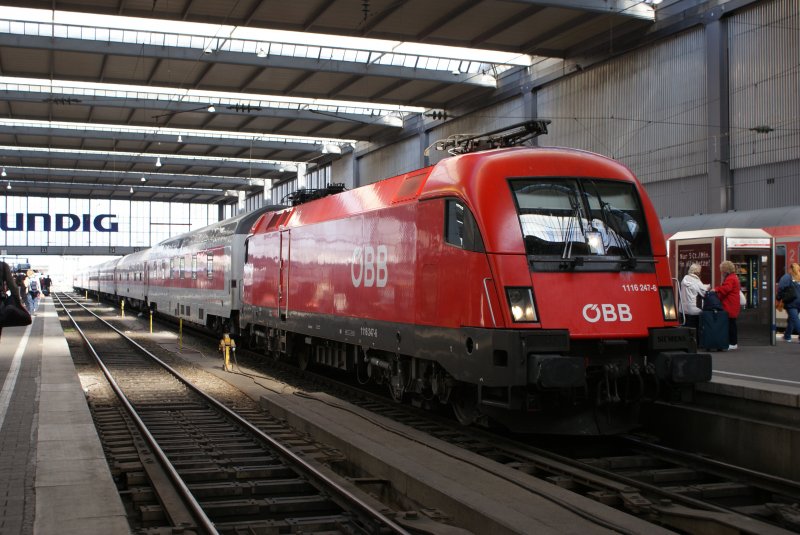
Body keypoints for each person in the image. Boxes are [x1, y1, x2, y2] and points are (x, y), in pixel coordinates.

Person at [714, 260, 742, 350]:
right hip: (732, 304)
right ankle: (732, 342)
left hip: (730, 305)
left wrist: (716, 289)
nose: (721, 272)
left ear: (725, 270)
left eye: (722, 269)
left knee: (731, 325)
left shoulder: (730, 278)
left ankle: (733, 343)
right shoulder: (734, 277)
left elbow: (726, 288)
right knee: (731, 324)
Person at [680, 263, 709, 342]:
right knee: (695, 328)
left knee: (685, 327)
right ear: (698, 272)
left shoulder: (684, 279)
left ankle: (685, 342)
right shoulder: (697, 281)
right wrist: (708, 287)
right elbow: (704, 293)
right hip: (694, 309)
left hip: (683, 309)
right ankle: (695, 342)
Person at [777, 262, 800, 342]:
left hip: (791, 302)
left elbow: (781, 288)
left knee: (795, 319)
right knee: (792, 318)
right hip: (799, 302)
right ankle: (787, 336)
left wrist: (778, 298)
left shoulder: (787, 277)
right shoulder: (799, 276)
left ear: (790, 268)